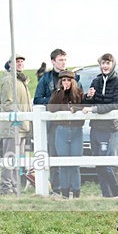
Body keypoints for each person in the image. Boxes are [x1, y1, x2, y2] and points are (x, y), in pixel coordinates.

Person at [82, 53, 118, 198]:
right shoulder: (96, 82)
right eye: (103, 63)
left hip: (110, 129)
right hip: (95, 127)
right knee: (99, 165)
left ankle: (116, 194)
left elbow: (116, 105)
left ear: (113, 64)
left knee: (108, 165)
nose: (105, 66)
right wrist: (88, 97)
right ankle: (106, 195)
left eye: (108, 63)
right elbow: (88, 103)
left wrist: (94, 109)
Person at [33, 48, 75, 196]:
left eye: (65, 60)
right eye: (60, 60)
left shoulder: (73, 77)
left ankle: (71, 189)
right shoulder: (46, 79)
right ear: (53, 61)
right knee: (55, 157)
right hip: (53, 125)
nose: (63, 63)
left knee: (71, 158)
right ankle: (57, 189)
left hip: (71, 124)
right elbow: (37, 100)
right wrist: (54, 101)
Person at [47, 70, 84, 199]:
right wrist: (61, 92)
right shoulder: (57, 94)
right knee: (63, 164)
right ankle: (65, 193)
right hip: (61, 130)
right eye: (63, 80)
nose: (66, 82)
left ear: (73, 81)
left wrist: (76, 109)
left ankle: (76, 192)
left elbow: (84, 107)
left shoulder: (79, 93)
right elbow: (51, 109)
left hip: (76, 130)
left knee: (75, 164)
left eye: (68, 80)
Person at [0, 55, 31, 195]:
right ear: (10, 64)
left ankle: (15, 186)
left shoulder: (21, 80)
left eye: (21, 61)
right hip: (12, 126)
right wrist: (22, 116)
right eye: (17, 61)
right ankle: (7, 187)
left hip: (23, 126)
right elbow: (7, 104)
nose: (20, 64)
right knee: (10, 157)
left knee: (18, 159)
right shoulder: (9, 80)